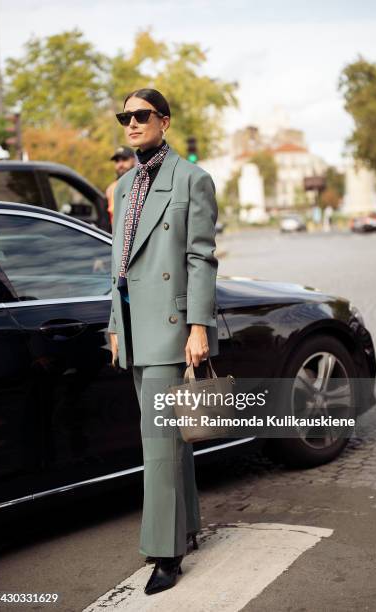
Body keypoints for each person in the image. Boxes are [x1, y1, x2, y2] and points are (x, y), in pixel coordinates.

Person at [107, 88, 219, 595]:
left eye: (141, 116)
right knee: (171, 442)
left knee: (158, 446)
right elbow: (120, 266)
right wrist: (114, 323)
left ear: (164, 122)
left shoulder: (192, 179)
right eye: (124, 116)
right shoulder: (125, 184)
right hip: (134, 328)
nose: (131, 123)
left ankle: (165, 554)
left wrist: (198, 326)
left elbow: (200, 258)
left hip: (171, 330)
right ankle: (188, 529)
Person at [106, 146, 136, 225]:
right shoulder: (111, 189)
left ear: (134, 160)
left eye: (124, 159)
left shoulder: (143, 184)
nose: (120, 164)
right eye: (117, 161)